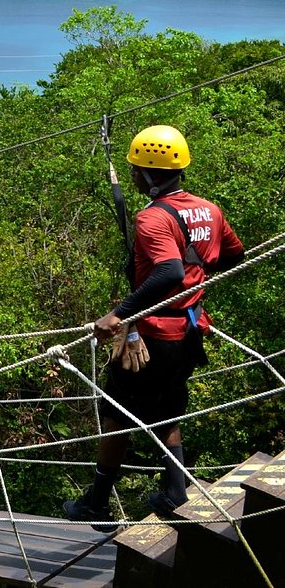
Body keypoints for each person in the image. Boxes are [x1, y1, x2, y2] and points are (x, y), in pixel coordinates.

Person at [64, 125, 244, 531]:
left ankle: (96, 503)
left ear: (146, 173)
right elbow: (234, 254)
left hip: (154, 336)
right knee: (167, 408)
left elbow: (168, 271)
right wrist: (195, 288)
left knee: (117, 414)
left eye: (134, 169)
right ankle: (175, 491)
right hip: (191, 330)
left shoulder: (152, 219)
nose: (130, 175)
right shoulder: (209, 210)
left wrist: (118, 313)